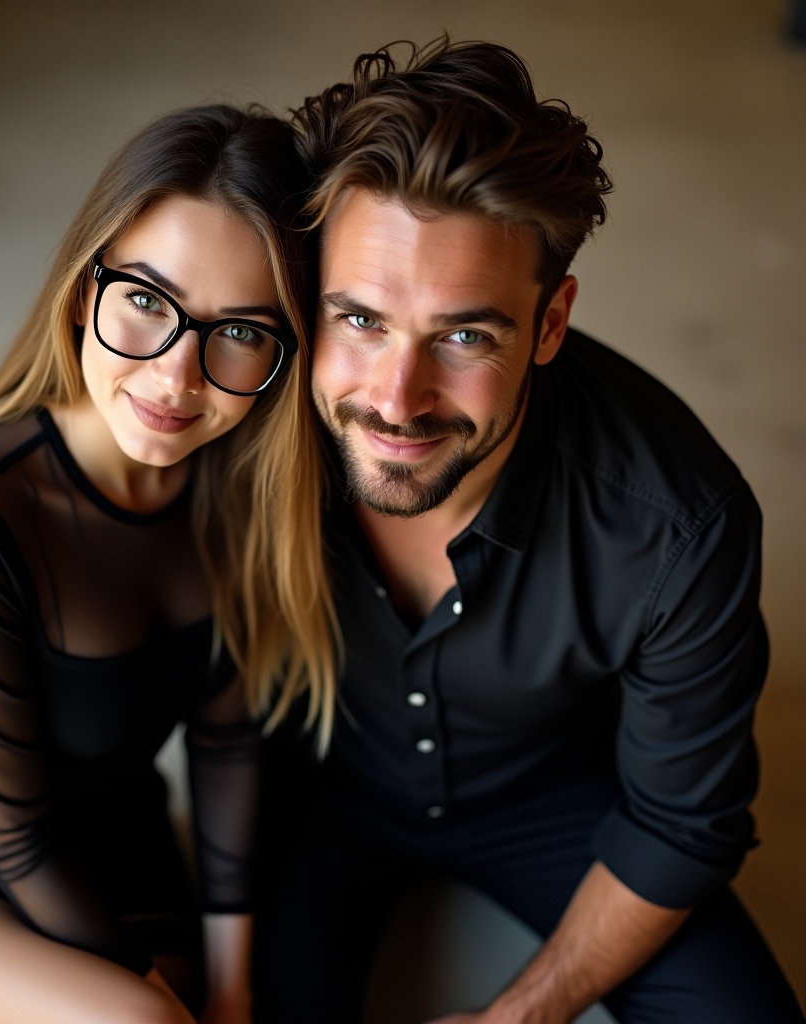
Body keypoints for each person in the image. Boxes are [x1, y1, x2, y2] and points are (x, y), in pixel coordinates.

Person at [254, 38, 805, 1023]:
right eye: (361, 320)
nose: (395, 398)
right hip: (310, 790)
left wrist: (525, 1010)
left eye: (464, 335)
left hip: (553, 797)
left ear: (549, 323)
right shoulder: (248, 425)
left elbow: (681, 823)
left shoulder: (677, 522)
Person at [0, 104, 337, 1024]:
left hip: (110, 844)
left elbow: (226, 744)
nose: (176, 378)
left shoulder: (245, 491)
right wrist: (162, 1004)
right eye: (146, 301)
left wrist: (235, 989)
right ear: (86, 286)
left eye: (240, 332)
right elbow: (10, 834)